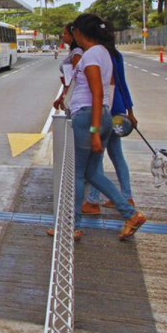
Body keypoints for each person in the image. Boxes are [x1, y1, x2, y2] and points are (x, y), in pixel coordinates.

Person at [48, 13, 146, 241]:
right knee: (92, 173)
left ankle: (71, 226)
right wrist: (101, 120)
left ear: (80, 33)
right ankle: (130, 214)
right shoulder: (104, 53)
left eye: (73, 32)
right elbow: (108, 89)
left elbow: (97, 92)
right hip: (101, 116)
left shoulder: (91, 56)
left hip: (87, 117)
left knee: (77, 175)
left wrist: (93, 130)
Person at [82, 31, 137, 214]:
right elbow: (123, 84)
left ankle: (93, 200)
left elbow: (108, 86)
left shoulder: (99, 55)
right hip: (118, 109)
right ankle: (126, 196)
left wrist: (97, 122)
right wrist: (129, 110)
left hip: (105, 110)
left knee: (96, 159)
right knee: (117, 155)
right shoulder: (115, 54)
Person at [52, 23, 82, 111]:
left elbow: (74, 78)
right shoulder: (72, 51)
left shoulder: (77, 53)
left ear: (73, 35)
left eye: (65, 33)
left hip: (74, 97)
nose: (62, 35)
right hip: (69, 95)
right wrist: (62, 96)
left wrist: (66, 96)